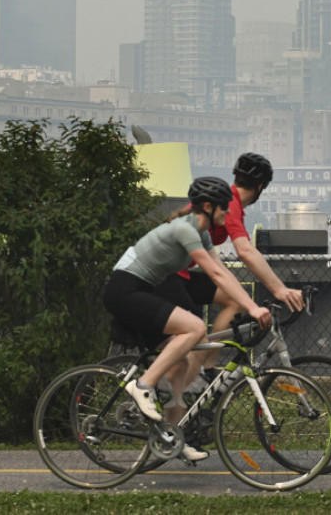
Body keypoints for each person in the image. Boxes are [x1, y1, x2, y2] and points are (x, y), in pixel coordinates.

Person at [103, 176, 271, 462]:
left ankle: (172, 436)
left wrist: (249, 304)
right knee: (195, 328)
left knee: (180, 364)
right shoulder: (185, 229)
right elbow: (216, 275)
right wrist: (252, 308)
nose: (228, 213)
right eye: (223, 208)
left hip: (143, 290)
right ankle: (143, 386)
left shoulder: (202, 233)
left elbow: (223, 274)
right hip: (124, 289)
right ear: (207, 206)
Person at [154, 152, 305, 397]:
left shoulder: (229, 202)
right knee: (195, 332)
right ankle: (181, 387)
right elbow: (245, 250)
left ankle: (206, 369)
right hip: (165, 274)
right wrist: (279, 288)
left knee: (234, 299)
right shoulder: (230, 204)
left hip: (179, 272)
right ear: (260, 187)